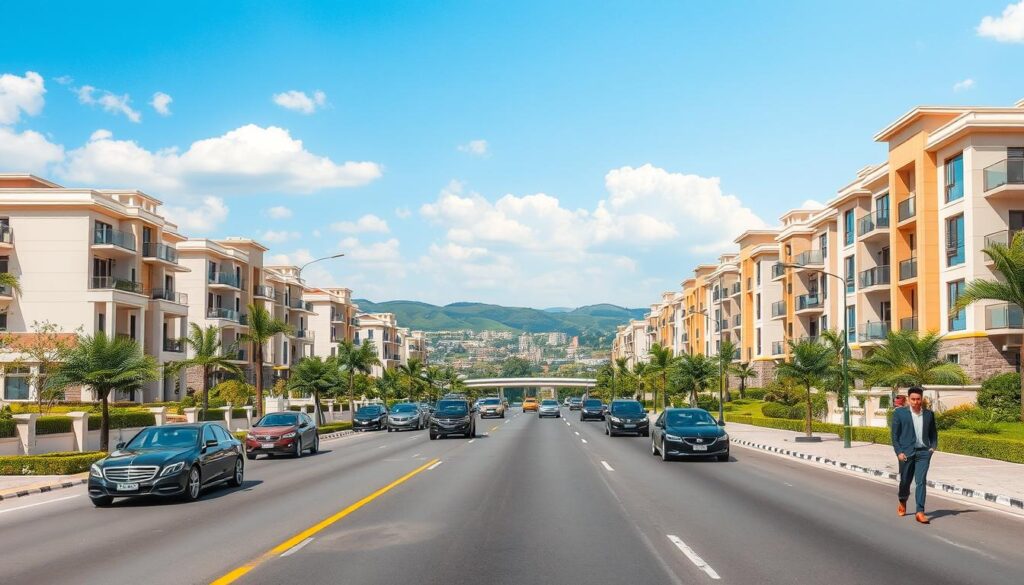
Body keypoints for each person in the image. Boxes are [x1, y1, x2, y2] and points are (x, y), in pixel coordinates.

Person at [890, 386, 938, 524]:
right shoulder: (900, 414)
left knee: (921, 481)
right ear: (908, 399)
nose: (916, 402)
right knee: (905, 481)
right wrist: (899, 452)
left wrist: (932, 447)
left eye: (918, 399)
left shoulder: (929, 414)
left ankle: (920, 511)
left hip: (923, 453)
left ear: (922, 399)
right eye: (913, 399)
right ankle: (902, 500)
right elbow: (895, 435)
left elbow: (933, 433)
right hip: (906, 453)